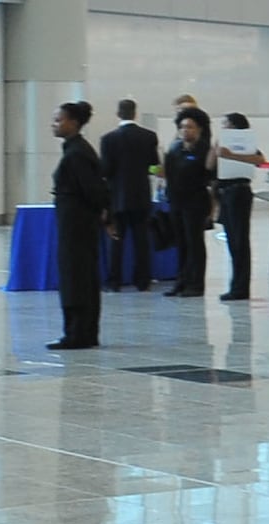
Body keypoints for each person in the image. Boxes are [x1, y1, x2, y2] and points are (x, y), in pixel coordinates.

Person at [48, 101, 106, 351]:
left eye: (59, 120)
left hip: (77, 225)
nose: (54, 124)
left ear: (73, 123)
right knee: (80, 276)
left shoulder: (77, 154)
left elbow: (93, 190)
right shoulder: (75, 150)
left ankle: (77, 332)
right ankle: (82, 330)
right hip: (76, 223)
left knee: (76, 277)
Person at [99, 98, 161, 290]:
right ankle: (142, 280)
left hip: (117, 197)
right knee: (141, 240)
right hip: (141, 195)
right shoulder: (149, 136)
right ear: (135, 113)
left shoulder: (108, 139)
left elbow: (105, 170)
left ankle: (114, 281)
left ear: (118, 114)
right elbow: (154, 164)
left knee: (116, 240)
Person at [161, 107, 217, 298]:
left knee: (195, 244)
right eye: (183, 127)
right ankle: (181, 281)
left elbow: (209, 176)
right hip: (176, 202)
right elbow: (167, 173)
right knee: (181, 243)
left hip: (195, 203)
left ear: (199, 130)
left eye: (190, 127)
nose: (186, 131)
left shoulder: (204, 150)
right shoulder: (175, 149)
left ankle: (196, 283)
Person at [213, 112, 269, 300]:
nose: (224, 128)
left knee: (240, 240)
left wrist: (232, 155)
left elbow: (260, 160)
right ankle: (236, 284)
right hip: (225, 191)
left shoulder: (246, 143)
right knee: (232, 240)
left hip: (239, 191)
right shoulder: (221, 144)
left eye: (226, 124)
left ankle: (241, 286)